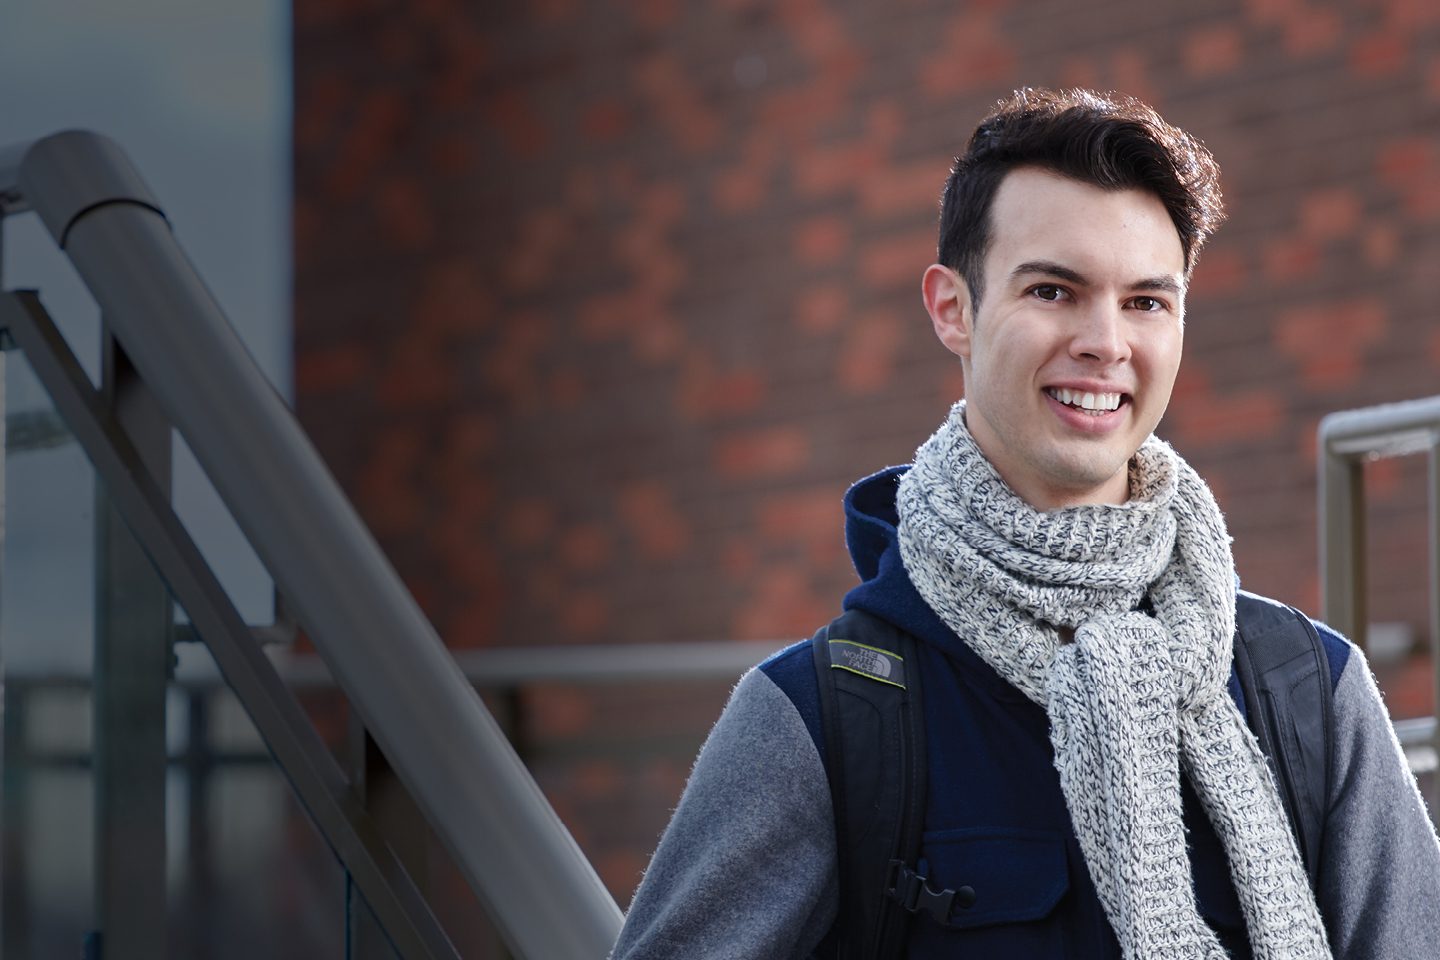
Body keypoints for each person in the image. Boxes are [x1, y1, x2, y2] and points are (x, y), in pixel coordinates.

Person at [610, 87, 1440, 959]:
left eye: (1147, 302)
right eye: (1054, 290)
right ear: (951, 309)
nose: (1105, 342)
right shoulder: (824, 721)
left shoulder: (1312, 691)